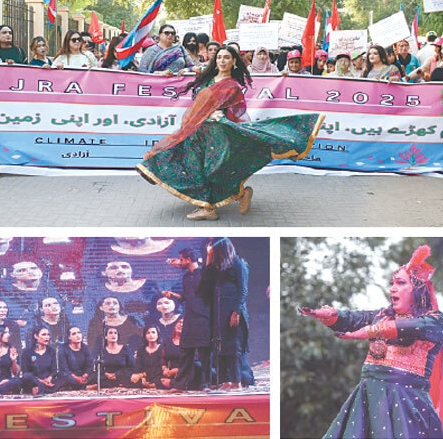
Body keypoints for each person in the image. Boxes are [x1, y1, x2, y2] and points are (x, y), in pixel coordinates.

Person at [136, 44, 325, 221]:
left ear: (234, 62)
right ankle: (223, 200)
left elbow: (237, 114)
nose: (222, 61)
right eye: (219, 57)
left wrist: (221, 115)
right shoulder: (208, 79)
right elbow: (198, 104)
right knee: (187, 162)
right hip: (198, 131)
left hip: (218, 133)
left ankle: (218, 204)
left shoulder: (232, 86)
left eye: (227, 57)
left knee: (214, 170)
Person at [299, 245, 443, 439]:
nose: (393, 288)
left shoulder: (435, 321)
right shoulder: (382, 315)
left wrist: (367, 332)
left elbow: (410, 327)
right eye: (392, 283)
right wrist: (331, 315)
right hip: (369, 401)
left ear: (418, 289)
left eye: (400, 283)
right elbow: (351, 319)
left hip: (407, 406)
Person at [162, 247, 212, 391]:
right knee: (186, 352)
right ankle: (180, 384)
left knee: (204, 353)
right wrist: (174, 295)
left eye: (182, 259)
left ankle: (206, 383)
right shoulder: (185, 277)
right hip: (189, 317)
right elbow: (186, 297)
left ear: (189, 260)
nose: (180, 262)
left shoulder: (203, 273)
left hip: (202, 318)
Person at [209, 238, 253, 391]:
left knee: (234, 348)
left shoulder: (238, 263)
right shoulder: (218, 267)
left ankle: (237, 381)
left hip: (233, 311)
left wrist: (236, 312)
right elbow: (206, 279)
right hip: (219, 311)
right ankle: (225, 380)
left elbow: (243, 290)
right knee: (220, 347)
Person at [20, 326, 67, 395]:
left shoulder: (52, 351)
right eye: (44, 335)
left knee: (64, 376)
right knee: (27, 376)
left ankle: (41, 389)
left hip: (49, 381)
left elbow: (54, 371)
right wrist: (41, 381)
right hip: (34, 381)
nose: (47, 337)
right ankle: (46, 389)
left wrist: (49, 379)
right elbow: (25, 372)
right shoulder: (27, 352)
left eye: (48, 335)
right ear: (36, 336)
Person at [57, 326, 92, 390]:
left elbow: (89, 366)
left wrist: (85, 375)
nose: (77, 335)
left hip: (83, 375)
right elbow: (64, 368)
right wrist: (76, 378)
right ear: (69, 337)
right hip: (70, 376)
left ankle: (74, 387)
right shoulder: (63, 349)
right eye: (74, 334)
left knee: (96, 375)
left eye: (79, 333)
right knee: (64, 377)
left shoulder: (85, 348)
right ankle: (85, 387)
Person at [159, 317, 186, 389]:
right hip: (170, 373)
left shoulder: (189, 343)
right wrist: (165, 369)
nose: (181, 325)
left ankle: (174, 383)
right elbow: (163, 359)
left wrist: (175, 371)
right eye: (179, 322)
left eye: (184, 323)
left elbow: (191, 362)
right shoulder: (168, 341)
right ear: (175, 325)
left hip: (185, 372)